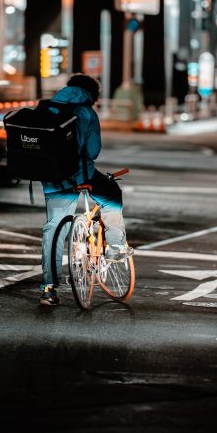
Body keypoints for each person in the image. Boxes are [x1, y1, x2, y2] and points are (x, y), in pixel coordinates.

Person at [39, 73, 131, 306]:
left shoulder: (47, 108)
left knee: (55, 228)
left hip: (51, 178)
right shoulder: (86, 112)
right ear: (93, 94)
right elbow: (92, 150)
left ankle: (49, 289)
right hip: (81, 175)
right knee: (112, 197)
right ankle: (115, 248)